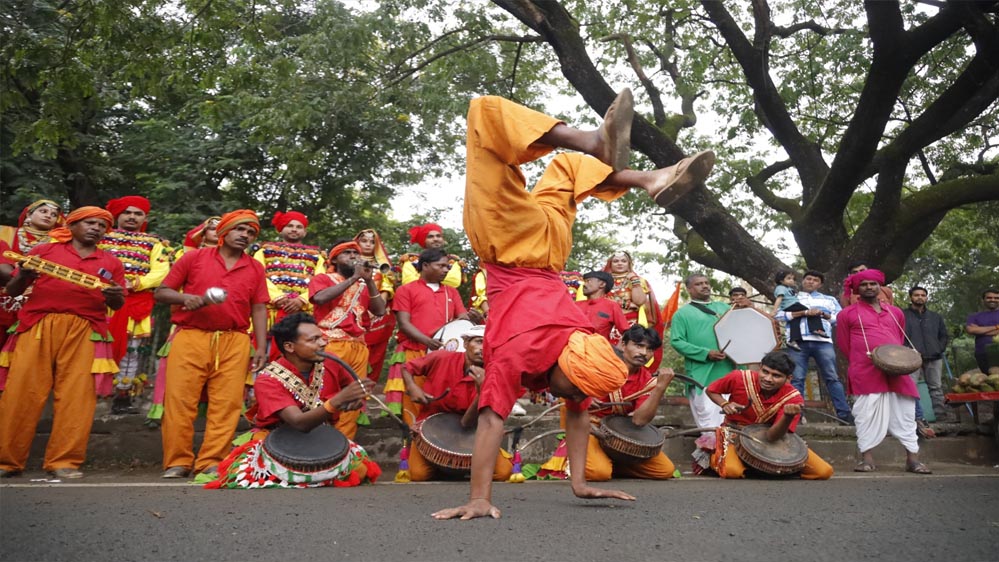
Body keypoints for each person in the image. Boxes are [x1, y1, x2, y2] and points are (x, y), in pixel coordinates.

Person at [432, 89, 714, 520]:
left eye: (579, 391)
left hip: (549, 243)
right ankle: (616, 159)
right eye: (577, 390)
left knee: (566, 167)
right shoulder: (527, 353)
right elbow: (490, 423)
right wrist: (479, 498)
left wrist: (580, 484)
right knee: (484, 114)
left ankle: (643, 176)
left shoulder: (580, 344)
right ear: (569, 366)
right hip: (510, 243)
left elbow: (575, 411)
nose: (576, 397)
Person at [0, 207, 125, 479]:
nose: (95, 228)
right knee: (21, 392)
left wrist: (114, 295)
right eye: (89, 223)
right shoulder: (44, 252)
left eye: (101, 225)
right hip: (38, 325)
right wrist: (23, 276)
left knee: (77, 397)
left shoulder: (111, 262)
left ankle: (64, 461)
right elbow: (11, 290)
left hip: (85, 328)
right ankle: (7, 461)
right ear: (72, 225)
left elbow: (117, 303)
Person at [154, 210, 269, 479]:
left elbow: (259, 308)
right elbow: (161, 292)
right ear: (223, 231)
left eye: (251, 232)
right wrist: (185, 298)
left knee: (227, 404)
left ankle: (211, 461)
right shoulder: (193, 257)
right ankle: (177, 461)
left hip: (236, 340)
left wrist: (261, 347)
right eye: (240, 229)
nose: (245, 235)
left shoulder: (255, 267)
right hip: (191, 335)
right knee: (180, 401)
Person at [205, 313, 380, 488]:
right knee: (256, 476)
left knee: (360, 470)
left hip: (319, 437)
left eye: (321, 337)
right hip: (277, 439)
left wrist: (353, 400)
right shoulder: (267, 380)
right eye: (313, 340)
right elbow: (298, 423)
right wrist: (337, 401)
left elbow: (350, 393)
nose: (323, 343)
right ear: (289, 346)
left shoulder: (331, 363)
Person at [538, 325, 676, 481]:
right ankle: (592, 463)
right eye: (638, 346)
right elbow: (565, 384)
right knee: (599, 473)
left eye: (650, 349)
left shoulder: (646, 380)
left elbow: (639, 420)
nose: (644, 353)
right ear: (623, 344)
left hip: (621, 437)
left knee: (664, 470)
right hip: (591, 429)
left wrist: (660, 388)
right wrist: (583, 398)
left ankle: (609, 462)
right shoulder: (600, 362)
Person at [837, 269, 931, 474]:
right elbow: (845, 345)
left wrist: (893, 361)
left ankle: (912, 460)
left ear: (880, 286)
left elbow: (899, 337)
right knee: (865, 414)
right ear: (856, 289)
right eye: (864, 284)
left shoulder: (895, 312)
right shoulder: (847, 314)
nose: (869, 287)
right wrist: (866, 359)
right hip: (865, 369)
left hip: (897, 370)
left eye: (873, 283)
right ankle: (867, 459)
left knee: (906, 412)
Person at [401, 324, 514, 481]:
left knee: (503, 472)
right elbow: (406, 368)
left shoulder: (493, 375)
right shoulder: (441, 357)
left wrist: (481, 392)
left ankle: (458, 466)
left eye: (488, 344)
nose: (483, 348)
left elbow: (467, 422)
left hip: (469, 431)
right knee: (419, 475)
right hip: (431, 428)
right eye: (479, 342)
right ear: (466, 343)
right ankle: (451, 467)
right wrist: (412, 387)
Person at [705, 350, 834, 479]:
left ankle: (767, 469)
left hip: (770, 439)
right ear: (760, 368)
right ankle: (716, 458)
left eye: (776, 376)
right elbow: (711, 390)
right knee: (731, 471)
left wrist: (787, 417)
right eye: (765, 372)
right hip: (734, 434)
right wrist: (724, 404)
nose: (768, 379)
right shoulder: (739, 377)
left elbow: (772, 436)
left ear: (788, 379)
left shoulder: (793, 399)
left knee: (824, 472)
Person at [144, 216, 220, 428]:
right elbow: (170, 287)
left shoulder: (238, 258)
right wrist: (188, 300)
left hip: (223, 320)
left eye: (220, 229)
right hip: (189, 316)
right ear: (202, 233)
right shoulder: (184, 255)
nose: (215, 232)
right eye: (211, 228)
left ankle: (206, 413)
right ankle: (162, 411)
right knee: (174, 365)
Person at [308, 239, 386, 439]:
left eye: (355, 253)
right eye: (347, 253)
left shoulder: (364, 284)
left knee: (354, 399)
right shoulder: (323, 278)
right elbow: (320, 298)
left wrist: (368, 281)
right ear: (334, 259)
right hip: (330, 344)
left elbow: (379, 311)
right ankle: (318, 444)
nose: (353, 256)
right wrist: (354, 279)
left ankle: (344, 448)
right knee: (326, 394)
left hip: (358, 346)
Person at [100, 195, 171, 414]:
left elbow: (162, 272)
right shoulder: (101, 236)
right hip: (99, 301)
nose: (132, 217)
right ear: (117, 215)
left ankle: (122, 396)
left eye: (137, 213)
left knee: (131, 351)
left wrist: (136, 283)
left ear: (144, 217)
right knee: (96, 347)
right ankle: (90, 393)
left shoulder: (155, 243)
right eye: (127, 213)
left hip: (135, 303)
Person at [384, 247, 472, 420]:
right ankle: (414, 444)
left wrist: (472, 319)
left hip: (442, 356)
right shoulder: (406, 290)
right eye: (441, 266)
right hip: (413, 351)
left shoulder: (451, 291)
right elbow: (403, 323)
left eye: (447, 266)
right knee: (414, 406)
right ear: (425, 265)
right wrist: (427, 340)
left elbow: (462, 319)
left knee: (441, 403)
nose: (446, 270)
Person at [776, 270, 853, 424]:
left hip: (823, 342)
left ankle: (844, 415)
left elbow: (840, 319)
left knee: (832, 378)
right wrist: (802, 313)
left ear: (820, 284)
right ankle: (796, 416)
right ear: (803, 281)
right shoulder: (792, 296)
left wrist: (824, 315)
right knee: (797, 378)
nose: (811, 282)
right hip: (798, 341)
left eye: (815, 280)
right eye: (808, 279)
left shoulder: (829, 300)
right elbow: (778, 315)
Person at [669, 273, 734, 428]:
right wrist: (706, 353)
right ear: (689, 289)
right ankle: (712, 450)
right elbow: (677, 341)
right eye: (699, 284)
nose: (705, 286)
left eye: (706, 283)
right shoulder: (682, 314)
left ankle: (727, 452)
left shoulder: (724, 307)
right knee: (710, 425)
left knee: (733, 422)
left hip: (731, 371)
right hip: (702, 374)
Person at [0, 199, 64, 349]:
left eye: (54, 215)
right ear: (29, 214)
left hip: (37, 306)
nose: (49, 216)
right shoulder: (5, 234)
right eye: (43, 211)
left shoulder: (58, 244)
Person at [252, 210, 325, 332]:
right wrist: (278, 297)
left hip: (303, 312)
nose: (294, 229)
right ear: (280, 229)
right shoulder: (263, 251)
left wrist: (301, 300)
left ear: (305, 232)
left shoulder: (317, 256)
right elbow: (257, 275)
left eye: (299, 227)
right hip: (270, 312)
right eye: (290, 226)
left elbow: (320, 281)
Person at [603, 250, 664, 369]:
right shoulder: (603, 281)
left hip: (631, 322)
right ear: (610, 264)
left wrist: (635, 281)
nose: (620, 263)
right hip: (609, 322)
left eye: (623, 261)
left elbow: (639, 301)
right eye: (616, 261)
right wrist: (624, 303)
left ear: (629, 263)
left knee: (631, 353)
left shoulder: (638, 280)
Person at [903, 286, 952, 422]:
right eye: (916, 295)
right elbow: (897, 335)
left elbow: (944, 335)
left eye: (923, 295)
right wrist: (906, 350)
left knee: (936, 388)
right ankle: (912, 418)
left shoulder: (935, 317)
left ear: (926, 297)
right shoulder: (902, 315)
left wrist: (939, 348)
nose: (920, 297)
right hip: (911, 358)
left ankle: (941, 417)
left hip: (934, 357)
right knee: (910, 388)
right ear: (911, 297)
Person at [355, 228, 396, 382]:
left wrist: (376, 310)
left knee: (373, 356)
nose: (368, 244)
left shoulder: (382, 266)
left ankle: (365, 394)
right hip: (349, 313)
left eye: (372, 242)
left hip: (375, 316)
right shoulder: (347, 261)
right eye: (364, 241)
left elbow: (386, 289)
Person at [398, 223, 465, 288]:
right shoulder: (411, 261)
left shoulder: (452, 262)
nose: (435, 239)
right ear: (424, 241)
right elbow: (410, 283)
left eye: (438, 236)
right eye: (430, 237)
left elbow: (453, 283)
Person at [772, 269, 825, 351]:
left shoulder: (787, 288)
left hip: (791, 305)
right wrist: (774, 310)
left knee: (795, 320)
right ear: (781, 280)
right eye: (789, 278)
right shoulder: (781, 288)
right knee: (811, 312)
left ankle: (793, 340)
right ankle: (817, 328)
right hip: (791, 305)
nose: (792, 281)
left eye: (793, 279)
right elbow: (779, 299)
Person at [577, 270, 631, 341]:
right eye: (585, 282)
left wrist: (617, 349)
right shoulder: (575, 305)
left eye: (588, 281)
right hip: (574, 348)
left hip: (599, 349)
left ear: (602, 284)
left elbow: (626, 333)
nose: (584, 285)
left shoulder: (612, 306)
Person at [965, 288, 999, 374]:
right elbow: (971, 330)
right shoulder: (974, 316)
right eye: (989, 297)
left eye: (996, 298)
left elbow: (976, 330)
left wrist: (981, 330)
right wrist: (997, 327)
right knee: (990, 382)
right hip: (982, 354)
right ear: (983, 300)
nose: (993, 300)